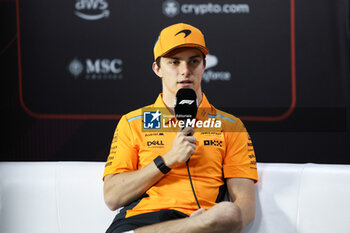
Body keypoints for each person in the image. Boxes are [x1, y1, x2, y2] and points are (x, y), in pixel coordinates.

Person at [103, 23, 258, 233]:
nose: (185, 71)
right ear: (157, 68)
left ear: (204, 65)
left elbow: (245, 205)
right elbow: (113, 197)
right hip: (140, 222)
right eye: (174, 62)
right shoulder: (133, 122)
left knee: (228, 213)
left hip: (202, 222)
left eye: (193, 61)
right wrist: (167, 160)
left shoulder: (230, 126)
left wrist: (208, 223)